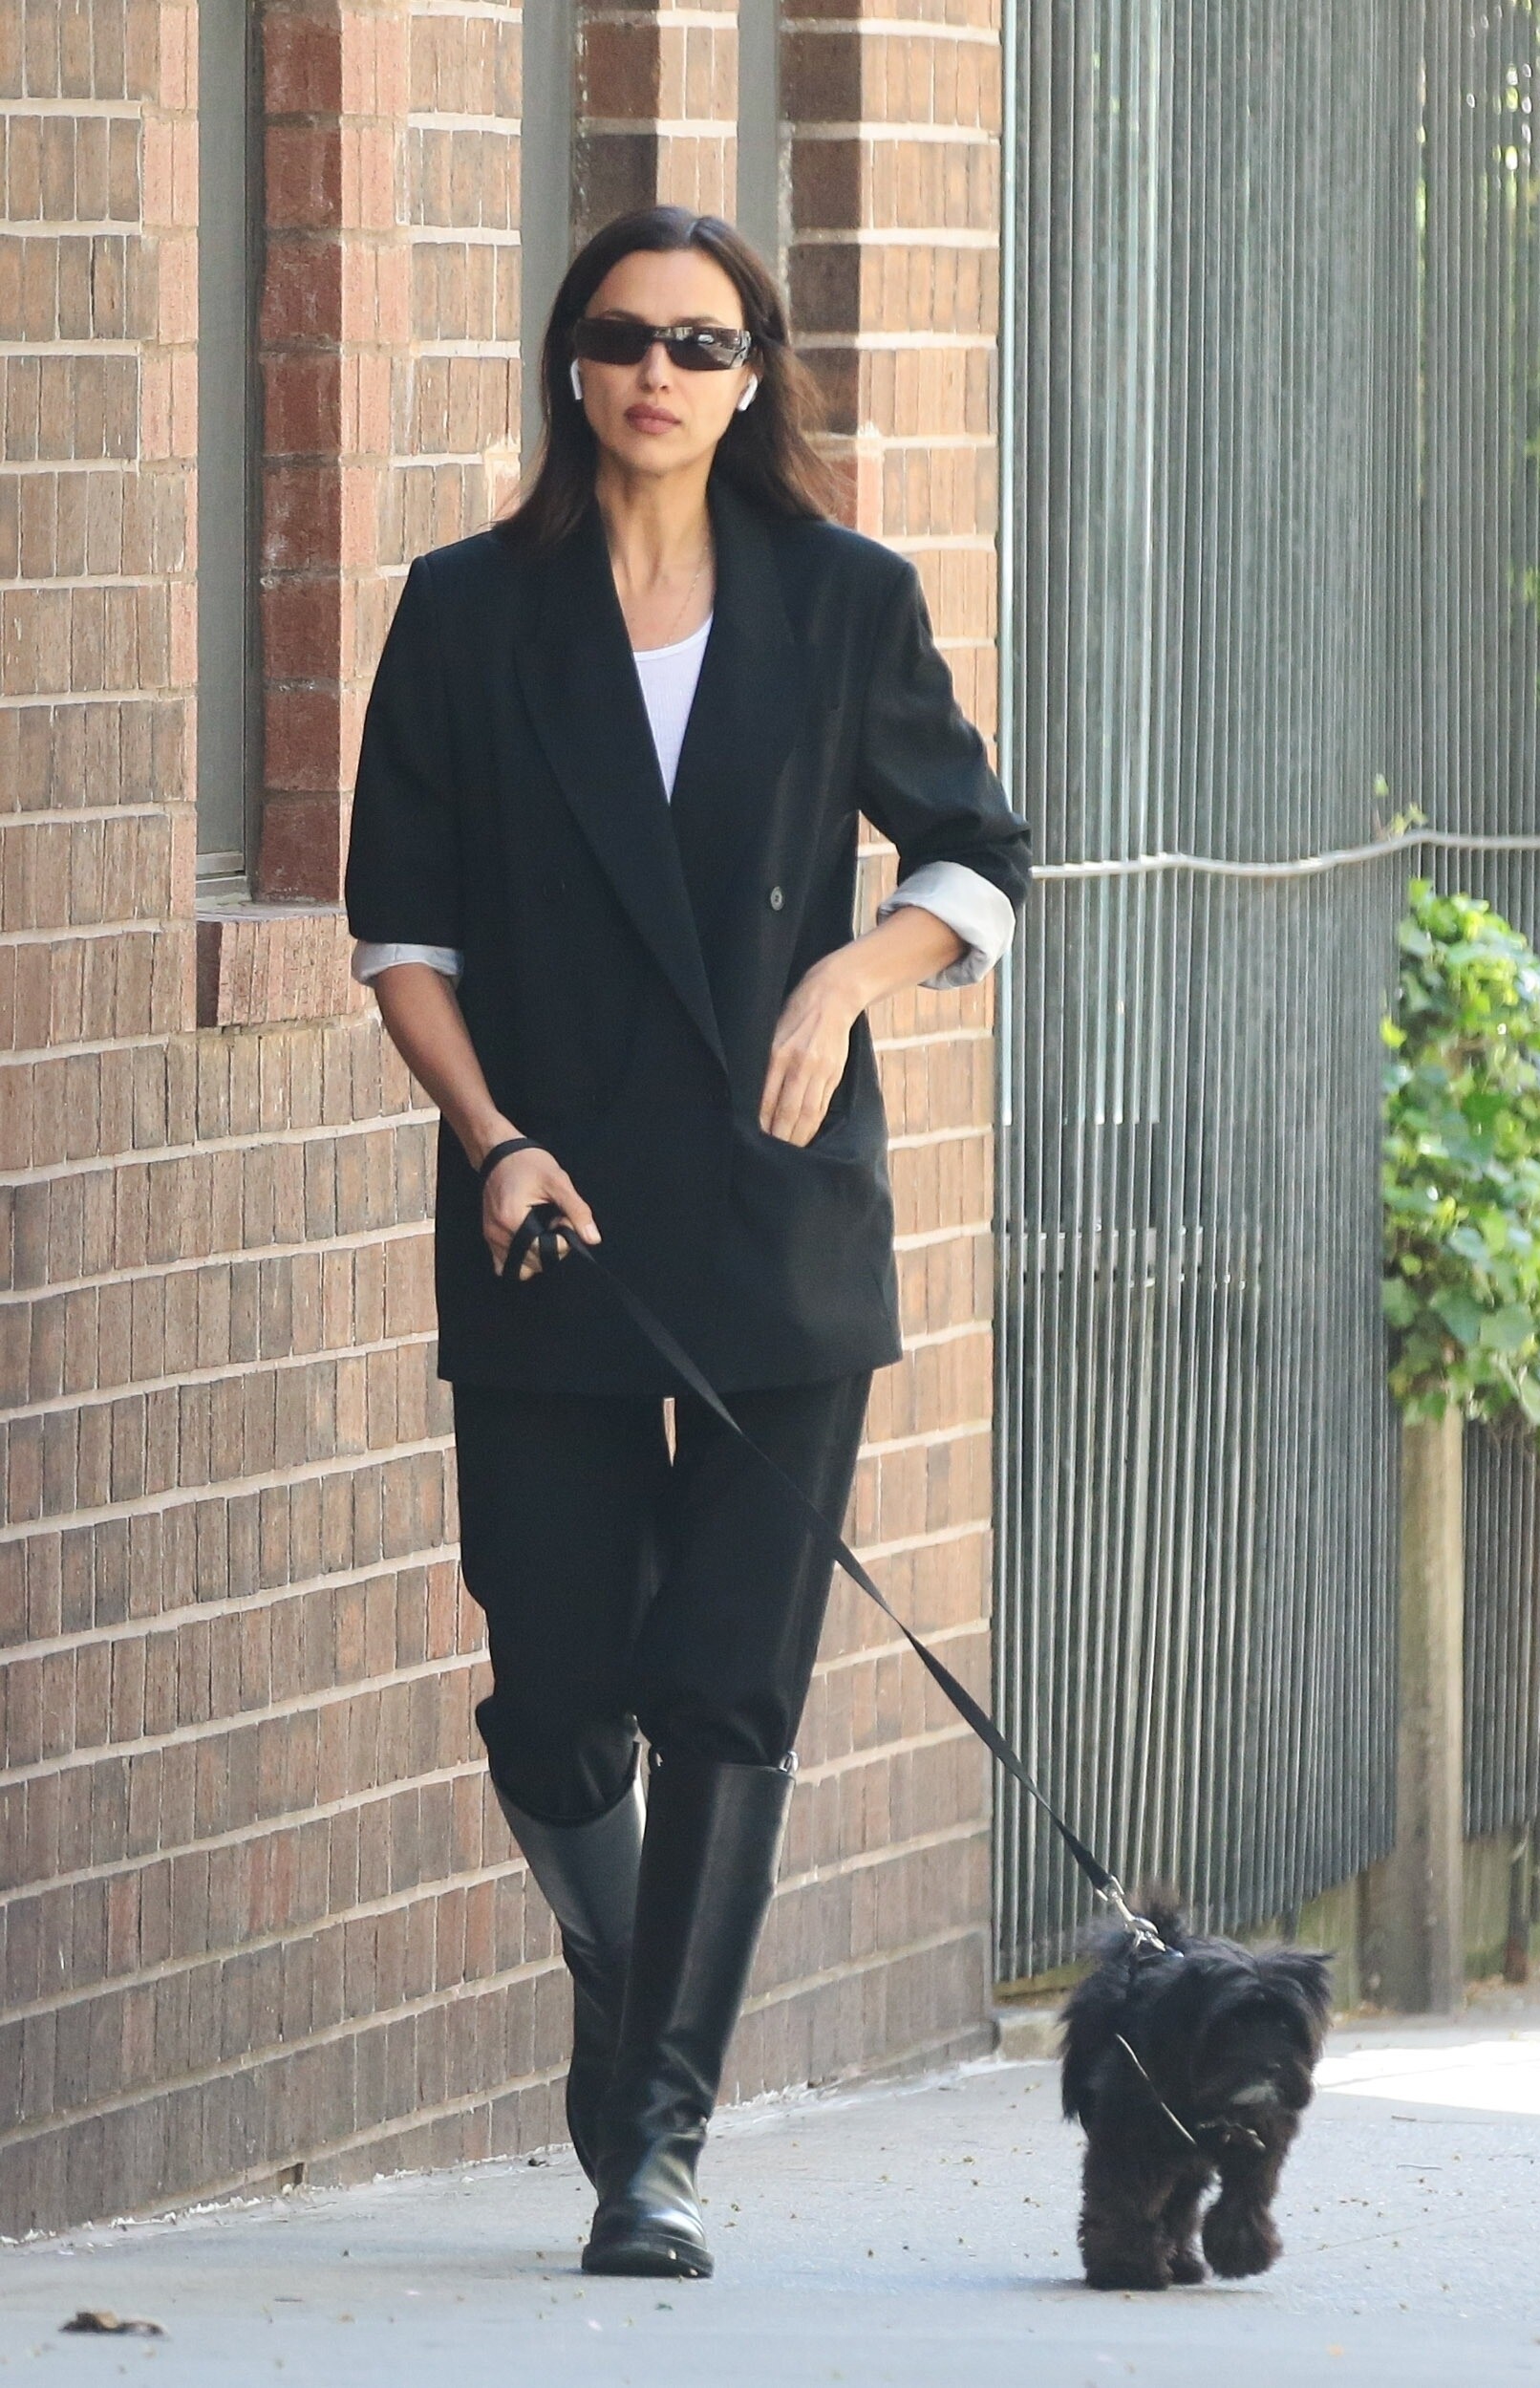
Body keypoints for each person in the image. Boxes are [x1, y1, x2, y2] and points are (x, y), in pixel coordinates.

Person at [343, 204, 1031, 2279]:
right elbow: (403, 930)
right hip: (548, 1212)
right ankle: (620, 1952)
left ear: (752, 380)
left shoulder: (844, 598)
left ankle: (655, 2142)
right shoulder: (470, 611)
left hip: (775, 1213)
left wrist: (846, 978)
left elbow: (977, 857)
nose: (661, 371)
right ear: (574, 363)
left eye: (704, 343)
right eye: (627, 336)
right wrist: (491, 1139)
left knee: (726, 1689)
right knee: (559, 1696)